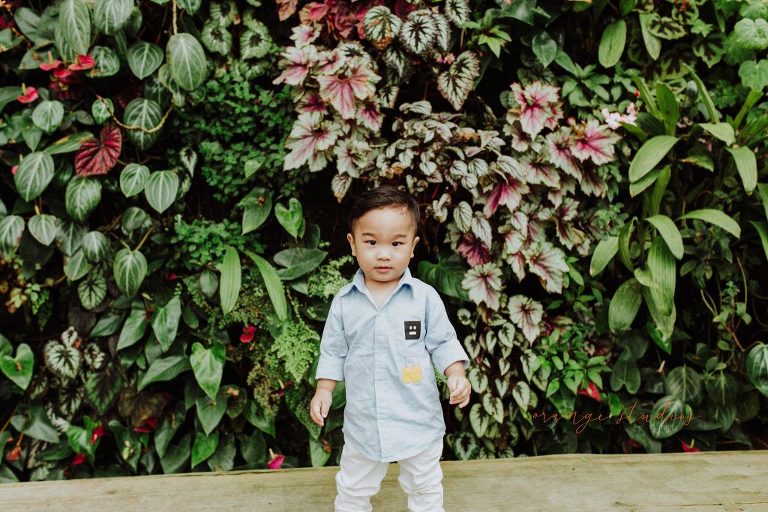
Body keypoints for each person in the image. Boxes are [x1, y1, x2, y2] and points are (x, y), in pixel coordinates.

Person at [309, 186, 471, 512]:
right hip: (365, 422)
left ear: (412, 248)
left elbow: (443, 341)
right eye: (371, 243)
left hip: (417, 419)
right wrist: (324, 389)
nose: (384, 253)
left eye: (396, 244)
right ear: (353, 245)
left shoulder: (423, 298)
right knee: (353, 487)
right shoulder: (344, 302)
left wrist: (456, 374)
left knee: (425, 487)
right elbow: (333, 350)